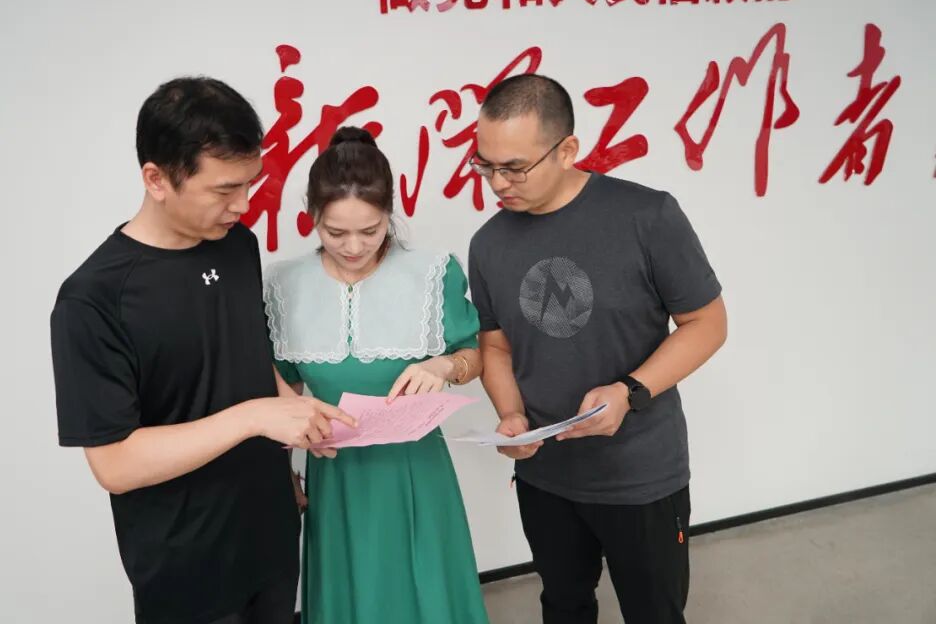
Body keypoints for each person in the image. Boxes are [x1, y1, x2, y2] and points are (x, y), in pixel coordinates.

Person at [50, 77, 354, 624]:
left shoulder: (237, 245)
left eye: (250, 183)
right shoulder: (94, 299)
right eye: (223, 190)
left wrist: (294, 417)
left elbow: (244, 355)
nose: (244, 204)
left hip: (270, 532)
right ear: (157, 179)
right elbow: (115, 463)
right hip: (186, 565)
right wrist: (255, 417)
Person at [467, 74, 728, 624]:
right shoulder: (488, 243)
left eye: (514, 168)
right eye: (484, 165)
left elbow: (707, 324)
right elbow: (496, 346)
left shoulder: (646, 217)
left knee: (654, 612)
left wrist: (629, 392)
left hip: (640, 473)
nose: (497, 183)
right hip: (545, 475)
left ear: (566, 150)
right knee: (563, 604)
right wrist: (511, 414)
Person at [263, 126, 490, 624]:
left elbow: (473, 356)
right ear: (312, 216)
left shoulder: (431, 273)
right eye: (335, 232)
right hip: (336, 476)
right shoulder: (284, 284)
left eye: (370, 231)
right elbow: (281, 393)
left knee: (424, 593)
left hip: (416, 472)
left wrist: (443, 365)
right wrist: (284, 474)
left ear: (390, 212)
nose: (353, 246)